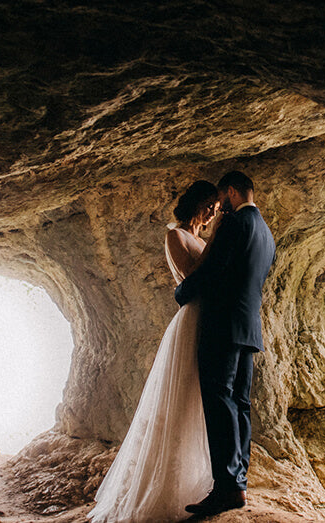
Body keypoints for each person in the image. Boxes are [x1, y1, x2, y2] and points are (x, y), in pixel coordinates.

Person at [88, 180, 221, 523]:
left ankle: (193, 483)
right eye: (208, 205)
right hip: (191, 317)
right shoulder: (175, 235)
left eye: (215, 208)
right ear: (195, 203)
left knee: (199, 402)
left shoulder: (204, 240)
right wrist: (218, 246)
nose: (211, 212)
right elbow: (192, 276)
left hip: (209, 318)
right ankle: (160, 489)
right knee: (179, 399)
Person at [175, 170, 276, 517]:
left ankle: (226, 488)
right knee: (240, 404)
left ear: (231, 192)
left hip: (221, 323)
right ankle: (240, 483)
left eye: (222, 201)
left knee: (219, 402)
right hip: (249, 328)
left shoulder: (234, 225)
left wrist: (181, 293)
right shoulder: (267, 234)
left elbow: (212, 271)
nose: (220, 210)